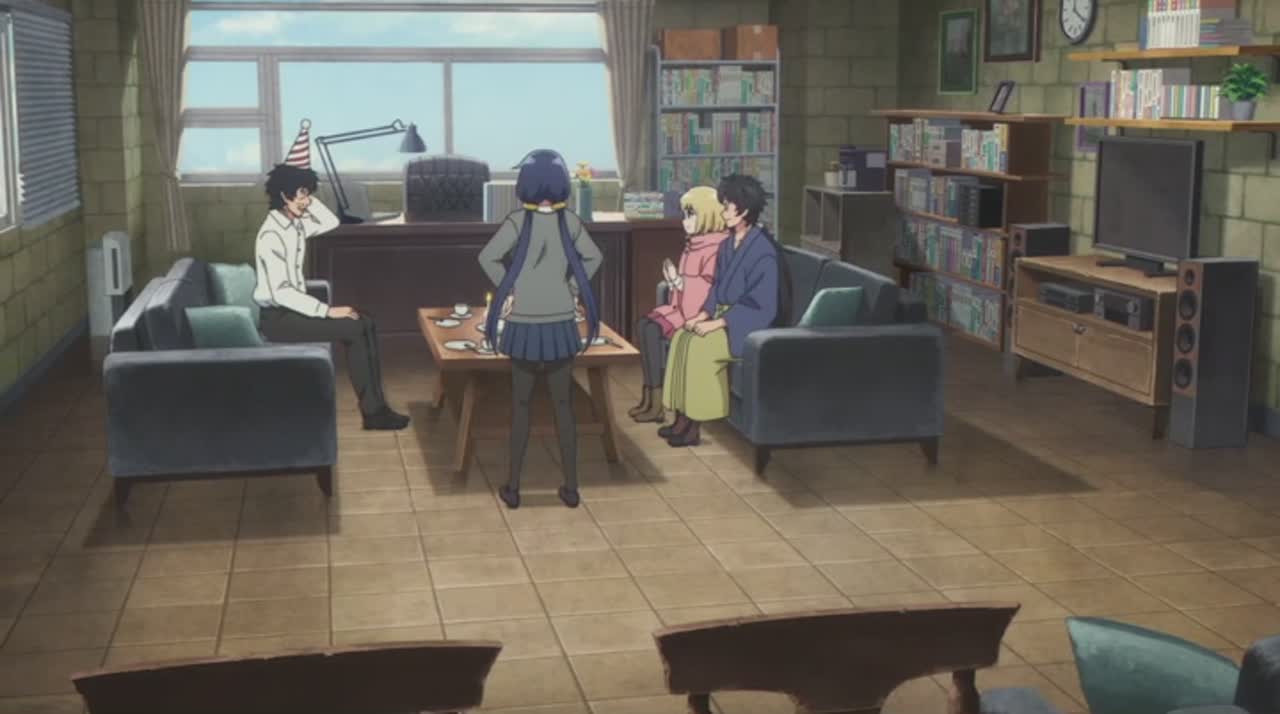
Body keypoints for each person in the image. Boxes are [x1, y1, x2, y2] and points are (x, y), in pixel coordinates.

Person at [253, 119, 409, 431]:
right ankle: (373, 413)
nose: (306, 200)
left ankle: (378, 407)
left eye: (307, 194)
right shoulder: (271, 234)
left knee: (365, 321)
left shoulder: (295, 224)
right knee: (354, 327)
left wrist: (309, 196)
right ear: (284, 195)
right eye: (301, 194)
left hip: (292, 313)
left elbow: (329, 222)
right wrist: (327, 310)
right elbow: (282, 292)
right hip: (278, 319)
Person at [478, 149, 603, 510]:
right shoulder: (570, 222)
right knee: (564, 406)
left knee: (521, 405)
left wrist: (511, 288)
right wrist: (572, 288)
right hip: (561, 322)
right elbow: (594, 257)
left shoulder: (517, 222)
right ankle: (571, 488)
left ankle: (514, 487)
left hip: (523, 324)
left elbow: (486, 257)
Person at [660, 174, 791, 447]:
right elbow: (716, 289)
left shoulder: (763, 251)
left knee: (700, 346)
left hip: (749, 326)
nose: (722, 211)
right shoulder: (727, 245)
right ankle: (680, 418)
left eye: (726, 206)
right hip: (723, 317)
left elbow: (762, 306)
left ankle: (695, 425)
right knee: (682, 337)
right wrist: (702, 315)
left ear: (743, 210)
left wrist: (717, 323)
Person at [628, 186, 729, 423]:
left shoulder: (717, 247)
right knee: (643, 325)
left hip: (698, 314)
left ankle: (658, 403)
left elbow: (707, 290)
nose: (685, 221)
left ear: (708, 215)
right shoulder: (694, 243)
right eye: (684, 214)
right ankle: (650, 396)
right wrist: (676, 282)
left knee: (651, 330)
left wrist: (677, 281)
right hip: (681, 308)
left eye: (691, 214)